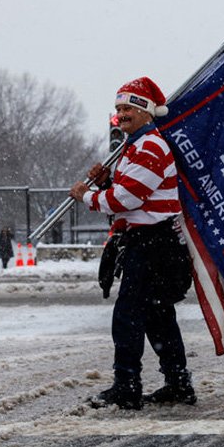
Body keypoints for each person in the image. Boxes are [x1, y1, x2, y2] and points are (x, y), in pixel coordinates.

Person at [70, 77, 194, 410]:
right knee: (157, 316)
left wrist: (89, 196)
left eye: (128, 108)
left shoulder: (150, 146)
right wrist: (106, 181)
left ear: (145, 111)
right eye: (118, 108)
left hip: (154, 244)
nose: (121, 114)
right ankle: (178, 383)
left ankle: (127, 386)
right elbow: (130, 190)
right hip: (154, 243)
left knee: (128, 316)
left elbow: (127, 198)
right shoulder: (136, 147)